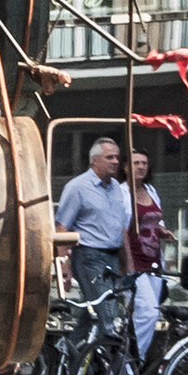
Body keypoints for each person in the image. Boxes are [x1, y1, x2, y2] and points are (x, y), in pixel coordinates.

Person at [56, 137, 132, 329]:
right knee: (109, 315)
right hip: (89, 256)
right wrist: (63, 268)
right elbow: (61, 228)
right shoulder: (77, 187)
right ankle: (111, 358)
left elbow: (120, 228)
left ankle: (72, 355)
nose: (115, 161)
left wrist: (127, 263)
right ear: (95, 160)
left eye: (117, 157)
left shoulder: (116, 188)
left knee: (92, 317)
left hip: (113, 257)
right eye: (109, 157)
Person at [125, 149, 172, 361]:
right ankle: (131, 364)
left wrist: (163, 232)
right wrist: (128, 265)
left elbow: (155, 222)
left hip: (154, 262)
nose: (141, 167)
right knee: (148, 313)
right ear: (126, 167)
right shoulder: (122, 192)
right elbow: (121, 229)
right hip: (136, 263)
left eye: (144, 163)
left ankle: (132, 362)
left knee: (146, 315)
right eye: (136, 163)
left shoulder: (151, 190)